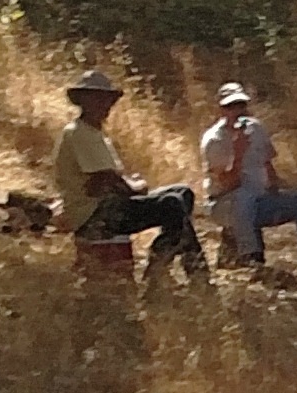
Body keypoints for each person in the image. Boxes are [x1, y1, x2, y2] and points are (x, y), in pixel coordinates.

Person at [54, 68, 207, 281]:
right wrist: (133, 187)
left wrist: (127, 185)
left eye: (105, 99)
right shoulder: (80, 133)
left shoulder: (93, 133)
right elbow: (102, 182)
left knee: (183, 193)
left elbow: (106, 179)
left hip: (107, 207)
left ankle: (168, 260)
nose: (103, 104)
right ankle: (184, 271)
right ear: (82, 100)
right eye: (96, 98)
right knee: (172, 204)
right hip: (95, 215)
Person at [200, 83, 297, 273]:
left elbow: (267, 164)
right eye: (230, 107)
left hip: (260, 199)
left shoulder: (256, 129)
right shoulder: (214, 140)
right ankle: (251, 258)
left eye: (241, 105)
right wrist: (238, 152)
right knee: (243, 198)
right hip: (227, 204)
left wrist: (279, 189)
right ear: (221, 109)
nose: (237, 111)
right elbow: (228, 183)